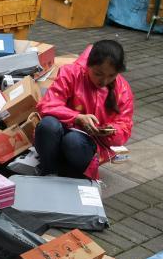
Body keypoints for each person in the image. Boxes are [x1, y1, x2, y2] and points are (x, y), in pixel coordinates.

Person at [34, 40, 134, 179]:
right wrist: (77, 118)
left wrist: (109, 130)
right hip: (61, 132)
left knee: (73, 140)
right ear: (88, 65)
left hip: (87, 145)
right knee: (47, 125)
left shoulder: (122, 89)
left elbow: (125, 126)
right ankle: (48, 170)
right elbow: (47, 105)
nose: (104, 81)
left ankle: (74, 175)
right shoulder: (71, 73)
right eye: (98, 73)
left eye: (111, 76)